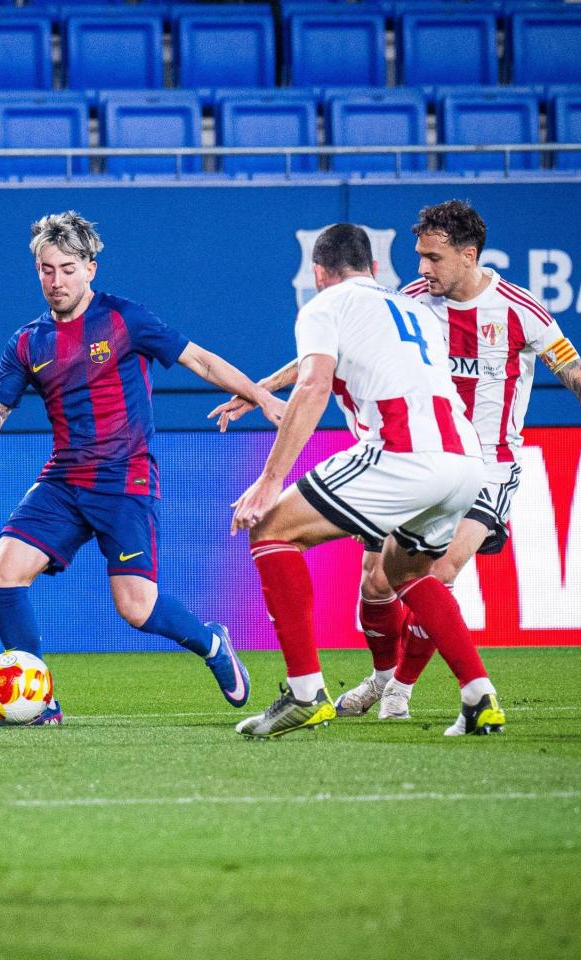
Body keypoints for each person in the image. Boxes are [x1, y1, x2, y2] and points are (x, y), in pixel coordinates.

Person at [225, 202, 581, 723]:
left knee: (427, 567)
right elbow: (337, 347)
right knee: (381, 582)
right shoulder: (413, 302)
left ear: (469, 256)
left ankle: (385, 690)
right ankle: (437, 687)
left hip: (482, 464)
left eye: (434, 258)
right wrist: (261, 389)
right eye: (419, 257)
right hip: (449, 459)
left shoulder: (519, 310)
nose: (422, 269)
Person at [0, 211, 286, 724]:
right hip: (64, 480)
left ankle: (212, 643)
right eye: (46, 270)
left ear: (91, 268)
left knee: (136, 608)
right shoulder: (26, 342)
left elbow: (200, 360)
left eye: (67, 268)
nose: (56, 280)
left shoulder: (123, 320)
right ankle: (40, 702)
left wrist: (260, 397)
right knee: (4, 573)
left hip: (124, 479)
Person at [224, 223, 506, 739]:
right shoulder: (413, 308)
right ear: (375, 268)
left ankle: (306, 694)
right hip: (465, 463)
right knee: (407, 574)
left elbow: (313, 383)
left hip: (401, 450)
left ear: (318, 274)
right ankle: (478, 696)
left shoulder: (322, 306)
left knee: (271, 530)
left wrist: (270, 479)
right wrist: (263, 387)